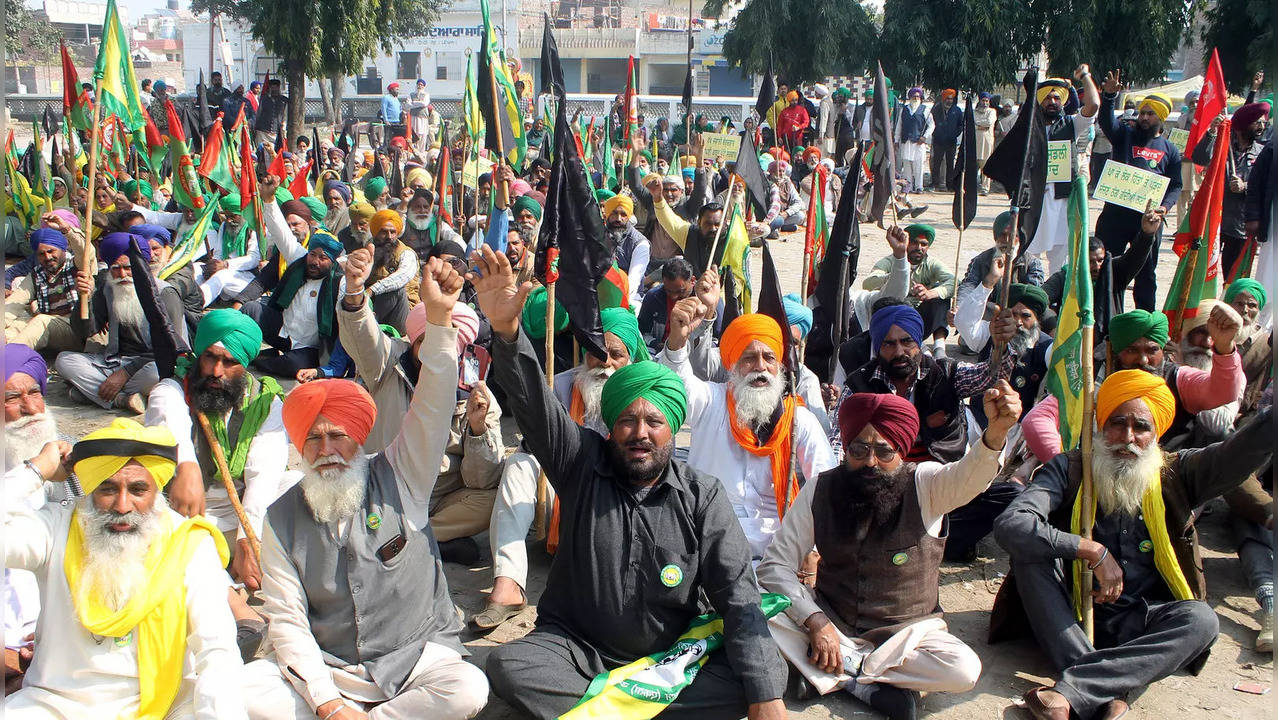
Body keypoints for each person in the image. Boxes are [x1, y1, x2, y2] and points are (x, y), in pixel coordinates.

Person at [468, 245, 789, 720]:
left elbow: (739, 596)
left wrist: (767, 697)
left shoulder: (702, 496)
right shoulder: (581, 461)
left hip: (667, 657)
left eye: (654, 422)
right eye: (628, 421)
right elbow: (535, 408)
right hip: (574, 649)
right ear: (612, 426)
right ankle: (631, 708)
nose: (640, 432)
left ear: (672, 428)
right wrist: (506, 332)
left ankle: (606, 709)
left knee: (757, 677)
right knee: (510, 665)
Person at [242, 259, 490, 720]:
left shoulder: (400, 475)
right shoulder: (279, 517)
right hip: (331, 670)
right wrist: (329, 703)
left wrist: (437, 322)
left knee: (467, 687)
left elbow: (433, 407)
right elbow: (289, 621)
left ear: (360, 438)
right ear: (300, 447)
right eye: (313, 439)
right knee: (242, 690)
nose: (327, 449)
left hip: (412, 661)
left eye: (338, 435)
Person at [993, 371, 1274, 720]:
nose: (1127, 438)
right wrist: (1090, 549)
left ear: (1156, 434)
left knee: (1201, 620)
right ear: (1099, 427)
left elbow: (1238, 453)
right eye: (1117, 423)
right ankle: (1114, 691)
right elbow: (1011, 524)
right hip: (1069, 614)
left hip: (1141, 619)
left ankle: (1077, 689)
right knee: (1030, 553)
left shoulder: (1178, 473)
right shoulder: (1070, 467)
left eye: (1140, 427)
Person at [760, 387, 1020, 718]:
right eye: (859, 449)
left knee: (963, 669)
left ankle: (838, 672)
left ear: (902, 450)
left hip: (906, 637)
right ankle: (866, 684)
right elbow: (775, 566)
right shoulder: (821, 488)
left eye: (884, 452)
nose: (870, 462)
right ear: (846, 449)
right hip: (831, 623)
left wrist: (996, 434)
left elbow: (968, 477)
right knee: (757, 610)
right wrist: (815, 620)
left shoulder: (925, 484)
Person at [4, 418, 247, 719]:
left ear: (157, 491)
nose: (122, 505)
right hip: (56, 704)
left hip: (163, 703)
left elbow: (217, 650)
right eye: (107, 488)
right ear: (90, 489)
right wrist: (36, 471)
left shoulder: (190, 543)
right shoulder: (56, 527)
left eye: (137, 490)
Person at [473, 306, 652, 629]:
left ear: (631, 359)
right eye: (597, 353)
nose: (605, 364)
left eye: (616, 355)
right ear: (585, 353)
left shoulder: (644, 394)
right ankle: (508, 583)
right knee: (519, 464)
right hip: (564, 489)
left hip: (616, 500)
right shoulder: (561, 384)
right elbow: (536, 436)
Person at [338, 247, 502, 562]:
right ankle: (423, 542)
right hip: (386, 488)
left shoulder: (474, 389)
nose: (434, 356)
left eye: (446, 349)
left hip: (437, 497)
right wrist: (355, 293)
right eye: (428, 344)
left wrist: (479, 430)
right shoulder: (388, 362)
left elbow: (479, 480)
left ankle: (410, 538)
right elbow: (363, 338)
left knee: (493, 498)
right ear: (414, 341)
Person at [839, 303, 1020, 559]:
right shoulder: (859, 384)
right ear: (878, 347)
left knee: (1010, 495)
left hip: (942, 489)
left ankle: (936, 540)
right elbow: (838, 443)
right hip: (884, 493)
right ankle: (935, 542)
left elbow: (990, 378)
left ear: (918, 341)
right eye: (888, 344)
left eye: (906, 341)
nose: (899, 351)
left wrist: (1001, 344)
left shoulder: (945, 374)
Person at [661, 307, 838, 559]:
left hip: (778, 551)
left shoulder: (799, 420)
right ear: (733, 365)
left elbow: (825, 485)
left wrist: (815, 550)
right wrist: (678, 341)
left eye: (769, 357)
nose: (760, 367)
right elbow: (676, 385)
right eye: (749, 358)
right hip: (707, 543)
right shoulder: (711, 401)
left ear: (779, 364)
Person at [1022, 306, 1246, 462]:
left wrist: (1224, 347)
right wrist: (1067, 465)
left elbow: (1222, 392)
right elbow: (1037, 420)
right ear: (1116, 353)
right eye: (1131, 351)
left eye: (1152, 350)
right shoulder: (1093, 380)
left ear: (1163, 349)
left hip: (1164, 482)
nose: (1143, 360)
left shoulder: (1177, 378)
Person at [3, 344, 74, 694]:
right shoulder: (40, 467)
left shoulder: (66, 454)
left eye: (35, 392)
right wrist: (35, 472)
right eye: (12, 397)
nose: (29, 409)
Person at [55, 232, 187, 413]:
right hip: (113, 362)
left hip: (152, 364)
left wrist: (125, 374)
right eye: (115, 268)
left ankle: (92, 393)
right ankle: (122, 400)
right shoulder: (108, 288)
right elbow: (85, 331)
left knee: (156, 375)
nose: (122, 274)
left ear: (142, 266)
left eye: (128, 267)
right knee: (64, 360)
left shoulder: (165, 293)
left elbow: (174, 347)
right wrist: (84, 298)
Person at [239, 177, 345, 377]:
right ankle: (254, 353)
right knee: (249, 309)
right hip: (283, 331)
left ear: (332, 262)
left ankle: (264, 361)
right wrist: (269, 200)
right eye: (313, 255)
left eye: (323, 258)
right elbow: (281, 233)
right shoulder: (300, 260)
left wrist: (330, 369)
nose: (315, 261)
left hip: (311, 347)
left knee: (292, 366)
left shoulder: (339, 282)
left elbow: (349, 324)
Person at [1095, 71, 1182, 311]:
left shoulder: (1170, 150)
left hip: (1147, 221)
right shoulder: (1124, 135)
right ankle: (1107, 314)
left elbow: (1176, 184)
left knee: (1146, 272)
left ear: (1161, 118)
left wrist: (1164, 207)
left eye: (1150, 114)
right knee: (1107, 267)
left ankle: (1144, 319)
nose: (1144, 117)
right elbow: (1106, 122)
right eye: (1142, 112)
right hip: (1115, 215)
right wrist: (1110, 96)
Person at [1042, 206, 1159, 344]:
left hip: (1108, 344)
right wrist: (1053, 326)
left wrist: (1146, 234)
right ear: (1079, 260)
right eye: (1090, 262)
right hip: (1072, 342)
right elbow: (1040, 299)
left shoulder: (1114, 273)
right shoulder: (1065, 278)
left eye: (1100, 260)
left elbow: (1134, 257)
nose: (1097, 267)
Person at [1023, 70, 1101, 272]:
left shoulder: (1071, 124)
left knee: (1059, 257)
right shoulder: (1028, 126)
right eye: (1047, 97)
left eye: (1057, 97)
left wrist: (1085, 76)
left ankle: (1055, 297)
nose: (1052, 101)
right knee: (1029, 253)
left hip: (1062, 198)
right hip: (1033, 198)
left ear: (1063, 101)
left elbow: (1093, 106)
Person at [1191, 103, 1270, 275]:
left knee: (1234, 278)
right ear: (1244, 124)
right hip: (1214, 222)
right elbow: (1199, 158)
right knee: (1203, 274)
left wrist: (1245, 187)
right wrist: (1212, 132)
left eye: (1263, 123)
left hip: (1241, 226)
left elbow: (1267, 186)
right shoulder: (1222, 144)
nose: (1261, 126)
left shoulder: (1263, 152)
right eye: (1257, 122)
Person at [862, 223, 954, 352]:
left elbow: (954, 281)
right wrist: (897, 276)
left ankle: (939, 349)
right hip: (896, 320)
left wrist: (931, 293)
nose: (919, 248)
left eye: (923, 244)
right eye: (914, 243)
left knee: (941, 296)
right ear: (906, 243)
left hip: (921, 318)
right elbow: (868, 283)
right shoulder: (890, 261)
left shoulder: (931, 263)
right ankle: (917, 347)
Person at [5, 226, 81, 355]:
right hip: (52, 331)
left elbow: (86, 251)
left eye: (51, 251)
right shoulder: (37, 274)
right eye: (41, 254)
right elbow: (14, 302)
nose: (47, 257)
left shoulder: (78, 265)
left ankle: (8, 360)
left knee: (41, 321)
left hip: (78, 332)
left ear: (63, 248)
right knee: (15, 325)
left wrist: (68, 230)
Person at [955, 211, 1045, 313]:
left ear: (1020, 237)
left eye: (1012, 235)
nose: (1007, 240)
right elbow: (968, 286)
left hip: (1018, 313)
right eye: (1003, 235)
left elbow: (1032, 294)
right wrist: (959, 307)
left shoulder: (1032, 263)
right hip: (987, 311)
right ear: (996, 236)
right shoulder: (980, 260)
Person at [601, 193, 650, 306]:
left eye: (623, 214)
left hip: (628, 298)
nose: (618, 219)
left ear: (629, 216)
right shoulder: (598, 236)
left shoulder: (640, 243)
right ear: (607, 214)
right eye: (614, 213)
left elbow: (633, 282)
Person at [896, 88, 932, 193]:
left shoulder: (925, 110)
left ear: (920, 98)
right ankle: (908, 187)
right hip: (906, 142)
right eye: (913, 96)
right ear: (910, 98)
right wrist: (896, 140)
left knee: (918, 166)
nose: (915, 98)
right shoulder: (904, 109)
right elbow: (899, 125)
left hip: (918, 143)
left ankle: (919, 187)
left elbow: (931, 125)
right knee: (906, 165)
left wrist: (924, 137)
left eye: (917, 96)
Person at [929, 89, 963, 192]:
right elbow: (931, 123)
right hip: (938, 141)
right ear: (943, 99)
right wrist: (936, 133)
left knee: (950, 164)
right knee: (936, 163)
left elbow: (960, 125)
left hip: (951, 141)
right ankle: (935, 184)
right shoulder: (936, 109)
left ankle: (950, 185)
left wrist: (954, 134)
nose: (949, 101)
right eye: (947, 98)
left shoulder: (957, 110)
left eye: (951, 99)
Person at [974, 93, 997, 194]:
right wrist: (979, 126)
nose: (985, 103)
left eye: (987, 101)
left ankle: (985, 188)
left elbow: (988, 122)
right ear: (979, 101)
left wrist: (977, 124)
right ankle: (971, 187)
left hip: (986, 143)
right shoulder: (974, 112)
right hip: (975, 143)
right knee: (972, 167)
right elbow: (971, 122)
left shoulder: (992, 111)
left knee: (986, 167)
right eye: (983, 100)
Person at [253, 78, 287, 147]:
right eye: (272, 87)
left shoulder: (284, 100)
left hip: (277, 132)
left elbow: (285, 115)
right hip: (263, 132)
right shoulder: (264, 99)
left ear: (279, 88)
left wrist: (283, 126)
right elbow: (258, 114)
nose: (274, 89)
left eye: (276, 87)